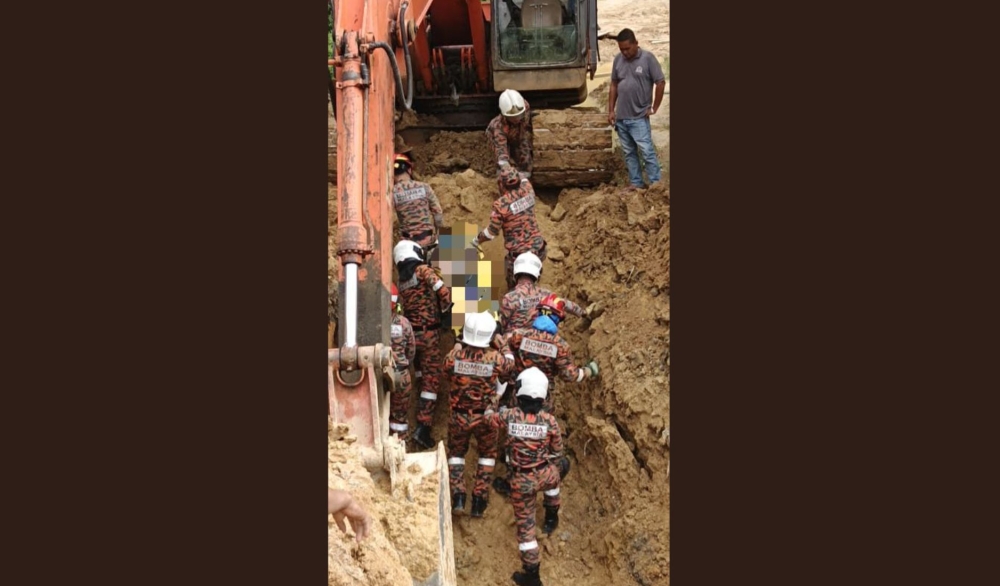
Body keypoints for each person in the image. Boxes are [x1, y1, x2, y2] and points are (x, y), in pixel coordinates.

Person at [483, 368, 569, 586]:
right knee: (556, 472)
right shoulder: (549, 421)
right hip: (545, 473)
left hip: (522, 481)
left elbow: (488, 419)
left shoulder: (509, 415)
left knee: (526, 532)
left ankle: (532, 574)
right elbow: (557, 451)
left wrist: (495, 399)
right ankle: (552, 514)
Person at [443, 312, 513, 517]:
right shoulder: (496, 358)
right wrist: (503, 344)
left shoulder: (453, 357)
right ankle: (478, 502)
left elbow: (447, 373)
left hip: (458, 416)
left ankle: (458, 497)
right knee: (487, 456)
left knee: (456, 454)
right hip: (486, 417)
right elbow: (510, 366)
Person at [393, 240, 453, 449]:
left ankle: (417, 407)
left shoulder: (402, 280)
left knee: (419, 373)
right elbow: (441, 289)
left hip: (412, 334)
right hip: (429, 333)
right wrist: (447, 308)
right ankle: (423, 427)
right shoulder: (422, 270)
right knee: (432, 380)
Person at [607, 28, 666, 190]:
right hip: (621, 117)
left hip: (639, 116)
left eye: (627, 48)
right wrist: (611, 110)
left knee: (647, 151)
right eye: (621, 49)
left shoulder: (648, 59)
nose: (624, 52)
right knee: (629, 153)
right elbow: (614, 85)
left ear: (636, 44)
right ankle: (636, 183)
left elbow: (660, 82)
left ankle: (656, 185)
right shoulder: (618, 60)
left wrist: (654, 108)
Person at [470, 165, 546, 289]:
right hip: (539, 249)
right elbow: (524, 178)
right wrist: (512, 171)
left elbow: (491, 233)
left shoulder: (501, 205)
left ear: (501, 184)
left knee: (513, 286)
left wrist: (476, 240)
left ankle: (513, 297)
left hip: (518, 257)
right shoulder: (528, 189)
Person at [497, 251, 589, 337]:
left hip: (514, 343)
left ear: (515, 272)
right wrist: (584, 313)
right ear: (538, 273)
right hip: (540, 341)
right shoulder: (546, 294)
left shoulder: (510, 298)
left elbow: (501, 325)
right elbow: (565, 304)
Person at [392, 153, 445, 253]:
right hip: (428, 241)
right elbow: (438, 213)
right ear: (409, 170)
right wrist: (439, 234)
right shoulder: (424, 187)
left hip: (407, 247)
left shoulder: (392, 192)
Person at [388, 283, 416, 438]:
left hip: (378, 376)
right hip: (401, 374)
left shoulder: (372, 324)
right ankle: (400, 447)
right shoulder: (404, 323)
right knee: (399, 416)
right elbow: (411, 350)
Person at [487, 89, 534, 179]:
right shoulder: (498, 127)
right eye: (513, 117)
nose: (517, 119)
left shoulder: (525, 107)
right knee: (502, 164)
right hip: (499, 137)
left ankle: (526, 176)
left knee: (525, 150)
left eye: (519, 116)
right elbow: (501, 149)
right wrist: (505, 166)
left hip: (518, 133)